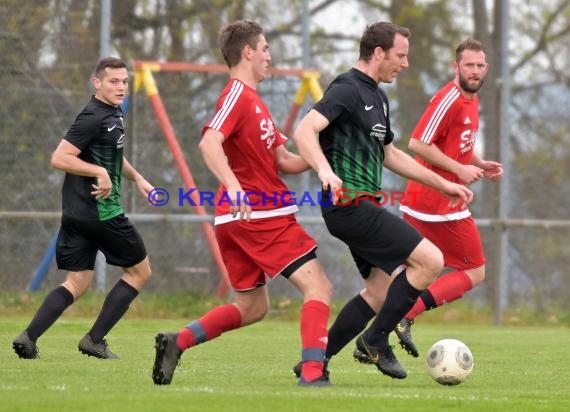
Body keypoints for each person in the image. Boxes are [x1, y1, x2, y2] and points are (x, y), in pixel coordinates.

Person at [151, 20, 332, 387]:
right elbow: (208, 143)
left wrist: (323, 153)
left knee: (253, 307)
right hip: (261, 214)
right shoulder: (236, 95)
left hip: (241, 219)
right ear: (247, 52)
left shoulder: (256, 103)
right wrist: (233, 185)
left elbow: (285, 162)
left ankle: (177, 342)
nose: (270, 56)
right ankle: (313, 374)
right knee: (319, 288)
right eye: (264, 48)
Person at [292, 22, 473, 380]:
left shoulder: (378, 96)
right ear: (378, 53)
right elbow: (304, 130)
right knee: (430, 261)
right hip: (349, 205)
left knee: (379, 291)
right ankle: (374, 340)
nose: (405, 64)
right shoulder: (346, 89)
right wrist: (326, 172)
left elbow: (390, 154)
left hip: (362, 205)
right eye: (401, 55)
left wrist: (443, 184)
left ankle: (316, 362)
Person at [12, 57, 153, 360]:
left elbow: (111, 154)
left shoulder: (111, 115)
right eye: (114, 81)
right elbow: (59, 157)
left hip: (76, 214)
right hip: (101, 212)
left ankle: (29, 337)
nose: (121, 87)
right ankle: (94, 339)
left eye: (125, 82)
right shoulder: (93, 116)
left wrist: (138, 178)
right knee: (140, 272)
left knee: (77, 282)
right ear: (97, 83)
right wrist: (99, 174)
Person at [394, 39, 503, 357]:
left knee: (402, 273)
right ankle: (404, 316)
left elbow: (456, 143)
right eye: (469, 65)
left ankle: (372, 338)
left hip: (433, 200)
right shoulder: (449, 98)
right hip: (437, 203)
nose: (475, 70)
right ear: (456, 67)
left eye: (480, 65)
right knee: (474, 271)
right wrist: (458, 170)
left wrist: (478, 163)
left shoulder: (471, 97)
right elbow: (417, 143)